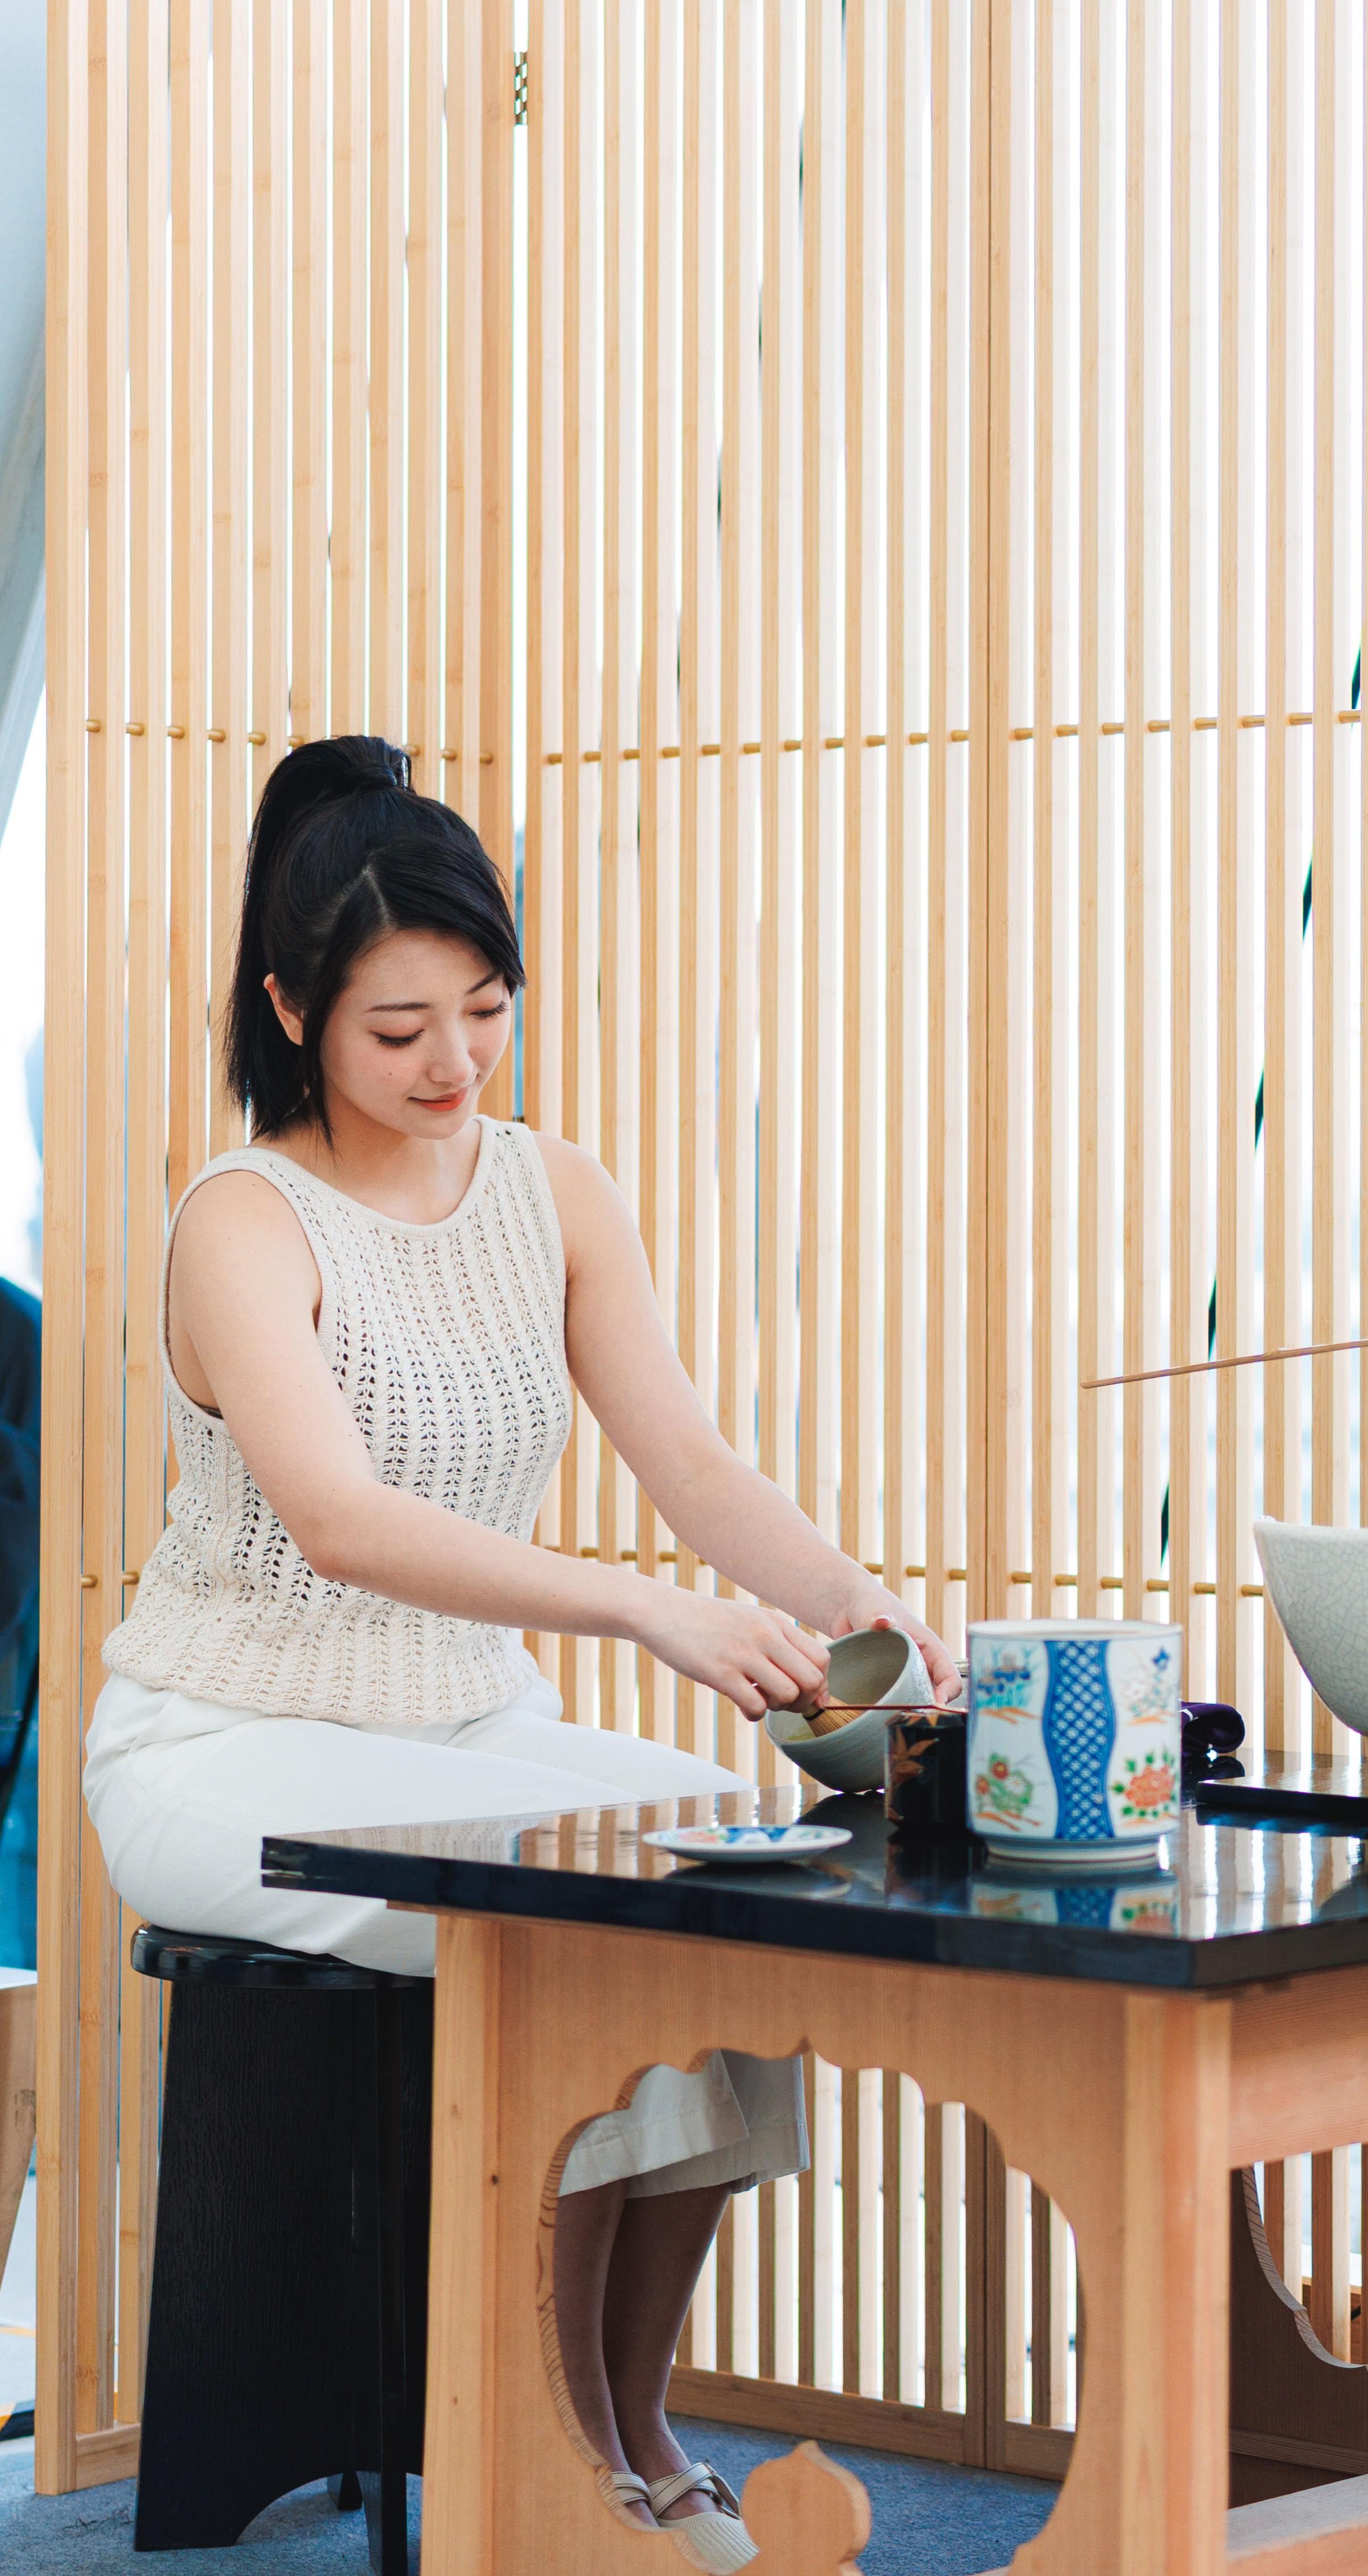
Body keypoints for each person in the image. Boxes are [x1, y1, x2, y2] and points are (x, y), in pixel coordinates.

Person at [83, 737, 956, 2569]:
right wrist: (643, 1608)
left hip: (463, 1725)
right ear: (292, 1011)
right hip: (221, 1745)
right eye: (400, 1029)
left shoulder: (555, 1190)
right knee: (575, 1927)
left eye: (485, 1011)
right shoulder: (243, 1219)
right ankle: (555, 2456)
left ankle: (629, 2428)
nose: (454, 1064)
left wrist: (865, 1616)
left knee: (736, 1870)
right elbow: (341, 1521)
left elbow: (691, 1462)